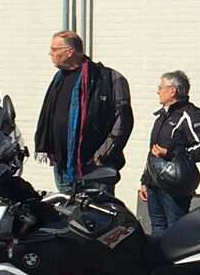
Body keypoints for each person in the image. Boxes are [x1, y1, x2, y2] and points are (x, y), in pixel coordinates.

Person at [34, 30, 132, 194]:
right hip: (63, 167)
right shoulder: (58, 79)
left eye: (54, 49)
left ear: (70, 52)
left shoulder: (107, 79)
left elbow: (123, 122)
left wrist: (102, 154)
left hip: (95, 168)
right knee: (67, 209)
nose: (51, 54)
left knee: (96, 210)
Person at [139, 71, 200, 233]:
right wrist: (145, 180)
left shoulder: (191, 114)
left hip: (175, 185)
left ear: (172, 91)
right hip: (154, 184)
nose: (158, 91)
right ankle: (158, 252)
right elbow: (153, 152)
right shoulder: (162, 116)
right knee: (157, 228)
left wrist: (171, 153)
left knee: (176, 230)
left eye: (161, 88)